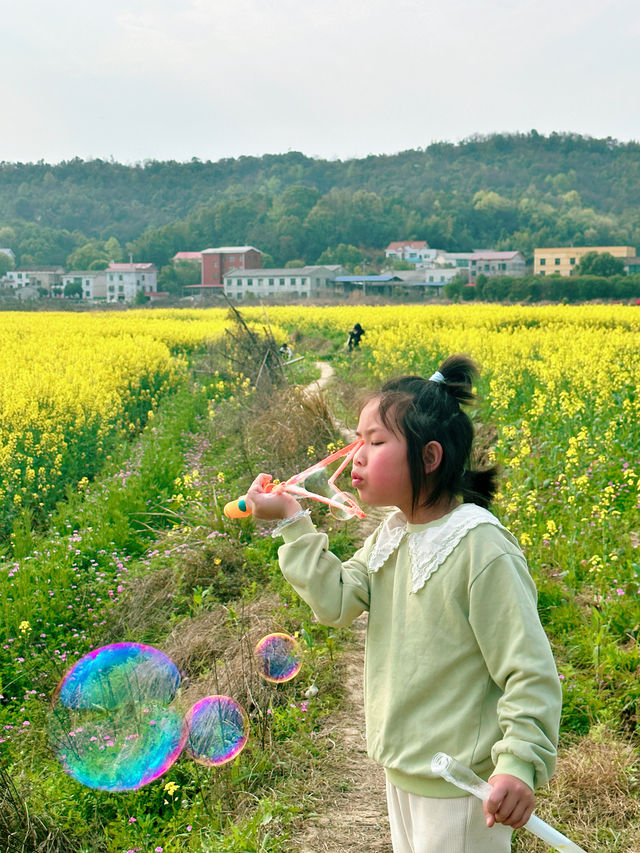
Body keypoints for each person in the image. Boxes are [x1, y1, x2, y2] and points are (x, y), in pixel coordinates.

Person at [245, 354, 562, 853]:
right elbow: (336, 603)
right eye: (357, 442)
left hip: (465, 787)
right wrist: (292, 519)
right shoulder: (394, 534)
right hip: (406, 772)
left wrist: (518, 764)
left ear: (429, 458)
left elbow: (529, 670)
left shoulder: (479, 546)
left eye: (374, 442)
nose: (357, 458)